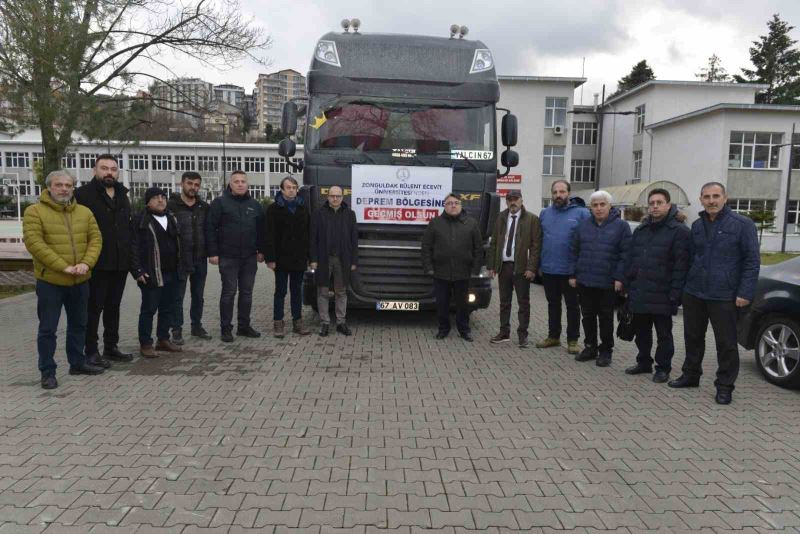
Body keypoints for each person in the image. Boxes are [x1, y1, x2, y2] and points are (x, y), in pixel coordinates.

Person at [669, 182, 760, 405]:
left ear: (725, 198)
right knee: (692, 337)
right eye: (707, 196)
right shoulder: (698, 225)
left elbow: (752, 261)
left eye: (716, 196)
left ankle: (725, 386)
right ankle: (691, 375)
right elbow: (691, 258)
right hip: (695, 293)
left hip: (725, 295)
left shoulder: (742, 224)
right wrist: (684, 289)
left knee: (726, 343)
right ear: (700, 199)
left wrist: (745, 292)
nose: (711, 200)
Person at [24, 170, 105, 389]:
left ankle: (77, 363)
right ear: (49, 187)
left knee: (79, 324)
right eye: (59, 185)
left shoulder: (85, 212)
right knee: (48, 329)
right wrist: (64, 267)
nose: (64, 189)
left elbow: (95, 240)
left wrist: (86, 264)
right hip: (51, 282)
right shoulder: (34, 212)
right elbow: (35, 244)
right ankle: (47, 371)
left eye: (68, 185)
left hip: (80, 280)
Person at [624, 189, 691, 383]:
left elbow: (681, 266)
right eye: (651, 203)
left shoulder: (679, 232)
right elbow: (632, 259)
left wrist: (675, 294)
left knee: (664, 335)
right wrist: (629, 284)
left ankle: (663, 368)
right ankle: (643, 362)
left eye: (659, 202)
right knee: (642, 332)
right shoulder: (642, 230)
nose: (654, 206)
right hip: (641, 291)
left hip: (664, 294)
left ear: (668, 205)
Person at [75, 154, 133, 366]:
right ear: (94, 170)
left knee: (113, 307)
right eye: (104, 168)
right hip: (96, 263)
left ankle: (111, 347)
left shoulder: (122, 195)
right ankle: (91, 350)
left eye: (113, 169)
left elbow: (127, 229)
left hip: (119, 263)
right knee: (94, 308)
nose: (109, 172)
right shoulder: (83, 195)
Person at [569, 190, 631, 367]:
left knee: (605, 318)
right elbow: (574, 251)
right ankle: (590, 347)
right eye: (595, 205)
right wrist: (573, 274)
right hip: (585, 280)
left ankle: (605, 350)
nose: (598, 208)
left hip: (607, 282)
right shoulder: (583, 226)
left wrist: (620, 277)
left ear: (610, 206)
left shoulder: (621, 226)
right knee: (587, 316)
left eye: (602, 204)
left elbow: (625, 255)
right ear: (591, 207)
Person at [206, 170, 266, 342]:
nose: (240, 184)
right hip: (227, 256)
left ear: (248, 184)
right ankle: (226, 328)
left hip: (249, 257)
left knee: (247, 293)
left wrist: (261, 251)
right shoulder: (220, 203)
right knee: (229, 292)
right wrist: (213, 253)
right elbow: (210, 229)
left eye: (243, 181)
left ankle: (244, 326)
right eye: (236, 181)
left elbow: (261, 230)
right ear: (230, 184)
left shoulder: (255, 205)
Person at [130, 187, 185, 357]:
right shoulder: (141, 220)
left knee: (167, 308)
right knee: (149, 309)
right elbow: (133, 247)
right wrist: (137, 270)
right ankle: (146, 343)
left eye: (163, 197)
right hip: (151, 273)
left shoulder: (171, 218)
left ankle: (163, 339)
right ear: (148, 201)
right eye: (155, 198)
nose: (160, 200)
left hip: (173, 272)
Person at [537, 180, 590, 354]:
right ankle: (553, 336)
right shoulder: (545, 214)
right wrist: (539, 265)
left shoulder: (582, 213)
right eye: (555, 192)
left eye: (562, 192)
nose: (558, 195)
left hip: (570, 271)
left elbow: (586, 242)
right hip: (549, 268)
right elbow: (539, 240)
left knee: (572, 306)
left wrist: (579, 269)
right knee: (553, 304)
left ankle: (573, 340)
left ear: (569, 193)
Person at [422, 193, 483, 342]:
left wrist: (475, 270)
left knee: (463, 305)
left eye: (456, 203)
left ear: (461, 205)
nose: (453, 205)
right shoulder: (435, 223)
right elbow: (426, 247)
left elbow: (478, 249)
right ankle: (443, 329)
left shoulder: (471, 223)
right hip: (440, 272)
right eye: (449, 203)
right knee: (442, 304)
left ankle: (464, 330)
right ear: (444, 206)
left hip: (463, 273)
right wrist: (429, 268)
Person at [486, 189, 542, 347]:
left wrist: (531, 268)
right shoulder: (501, 217)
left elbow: (536, 247)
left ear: (521, 200)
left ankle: (523, 335)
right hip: (504, 267)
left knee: (523, 303)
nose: (513, 202)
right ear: (506, 201)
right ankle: (504, 332)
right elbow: (494, 243)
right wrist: (491, 265)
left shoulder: (532, 219)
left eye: (516, 199)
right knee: (504, 302)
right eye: (510, 199)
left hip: (522, 268)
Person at [265, 176, 311, 338]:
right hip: (281, 259)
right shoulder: (273, 209)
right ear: (282, 190)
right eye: (288, 187)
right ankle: (278, 323)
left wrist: (310, 257)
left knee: (296, 292)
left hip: (298, 258)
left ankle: (297, 323)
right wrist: (270, 259)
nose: (292, 190)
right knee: (280, 291)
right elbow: (269, 236)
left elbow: (308, 234)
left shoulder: (303, 208)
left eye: (294, 187)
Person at [168, 171, 211, 343]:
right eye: (189, 183)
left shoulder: (204, 207)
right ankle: (176, 329)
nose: (193, 188)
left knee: (198, 295)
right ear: (182, 184)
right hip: (180, 259)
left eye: (196, 185)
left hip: (200, 257)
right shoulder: (171, 206)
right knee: (177, 296)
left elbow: (210, 230)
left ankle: (196, 326)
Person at [309, 185, 358, 336]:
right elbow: (313, 238)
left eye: (338, 196)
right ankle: (324, 323)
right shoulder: (319, 214)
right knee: (322, 291)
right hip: (323, 259)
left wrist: (353, 261)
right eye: (332, 196)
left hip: (343, 260)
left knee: (341, 291)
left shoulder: (350, 214)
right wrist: (313, 259)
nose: (335, 198)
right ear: (327, 197)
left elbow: (354, 239)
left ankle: (340, 323)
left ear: (343, 197)